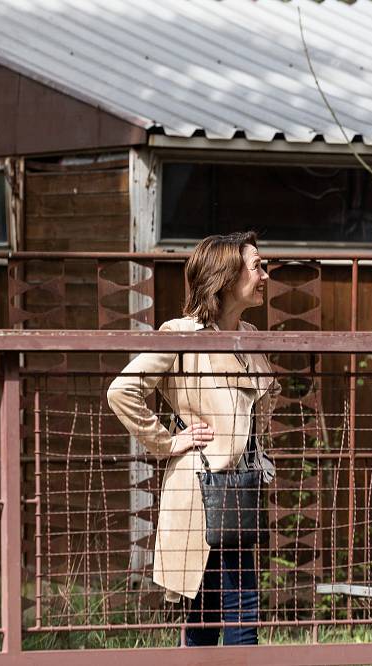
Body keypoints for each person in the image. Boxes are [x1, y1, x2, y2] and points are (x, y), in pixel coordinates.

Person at [107, 231, 279, 645]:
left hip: (239, 492)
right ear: (226, 276)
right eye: (257, 266)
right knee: (212, 613)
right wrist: (168, 442)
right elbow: (122, 390)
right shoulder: (183, 333)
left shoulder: (250, 336)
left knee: (237, 611)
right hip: (200, 493)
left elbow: (259, 408)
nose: (266, 275)